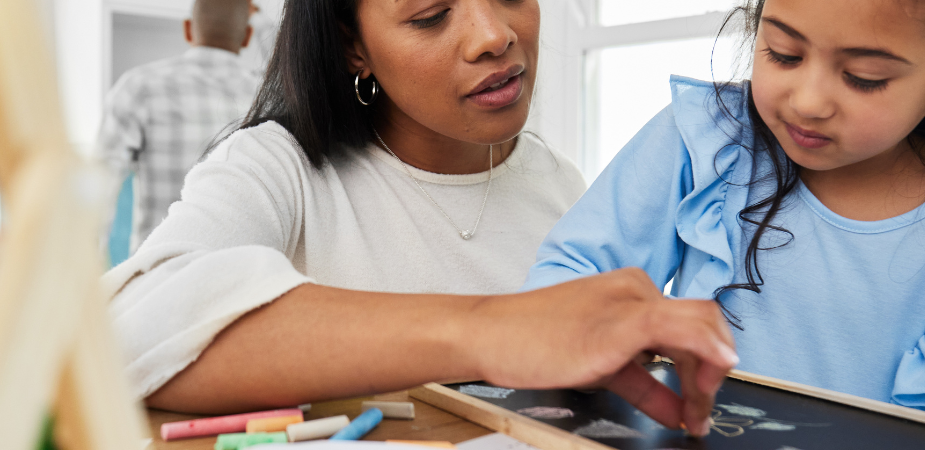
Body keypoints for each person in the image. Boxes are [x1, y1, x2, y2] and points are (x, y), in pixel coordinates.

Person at [104, 0, 738, 437]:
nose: (495, 34)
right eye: (432, 14)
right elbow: (133, 329)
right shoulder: (280, 166)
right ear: (354, 47)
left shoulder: (560, 182)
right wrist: (489, 332)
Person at [522, 0, 925, 448]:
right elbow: (568, 279)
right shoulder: (703, 138)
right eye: (783, 52)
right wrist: (614, 324)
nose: (808, 100)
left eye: (865, 77)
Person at [101, 0, 261, 250]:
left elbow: (99, 187)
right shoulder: (265, 98)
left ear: (188, 29)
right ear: (247, 37)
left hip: (157, 276)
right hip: (240, 274)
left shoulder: (139, 86)